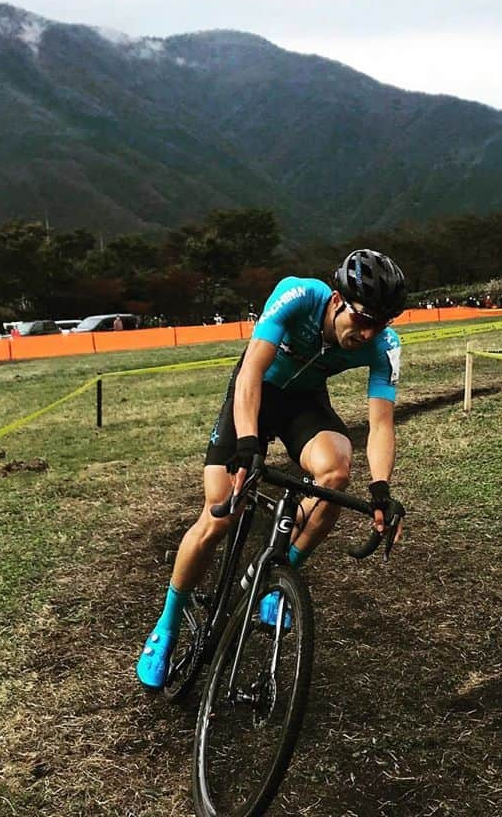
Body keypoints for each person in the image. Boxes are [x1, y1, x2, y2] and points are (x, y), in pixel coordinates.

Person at [136, 248, 408, 689]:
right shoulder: (297, 294)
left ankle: (276, 579)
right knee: (221, 508)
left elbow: (380, 422)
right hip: (255, 394)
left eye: (380, 322)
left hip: (304, 404)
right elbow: (249, 373)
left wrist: (381, 488)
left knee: (336, 475)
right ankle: (166, 625)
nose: (368, 332)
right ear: (337, 300)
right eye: (362, 318)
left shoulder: (384, 345)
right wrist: (246, 443)